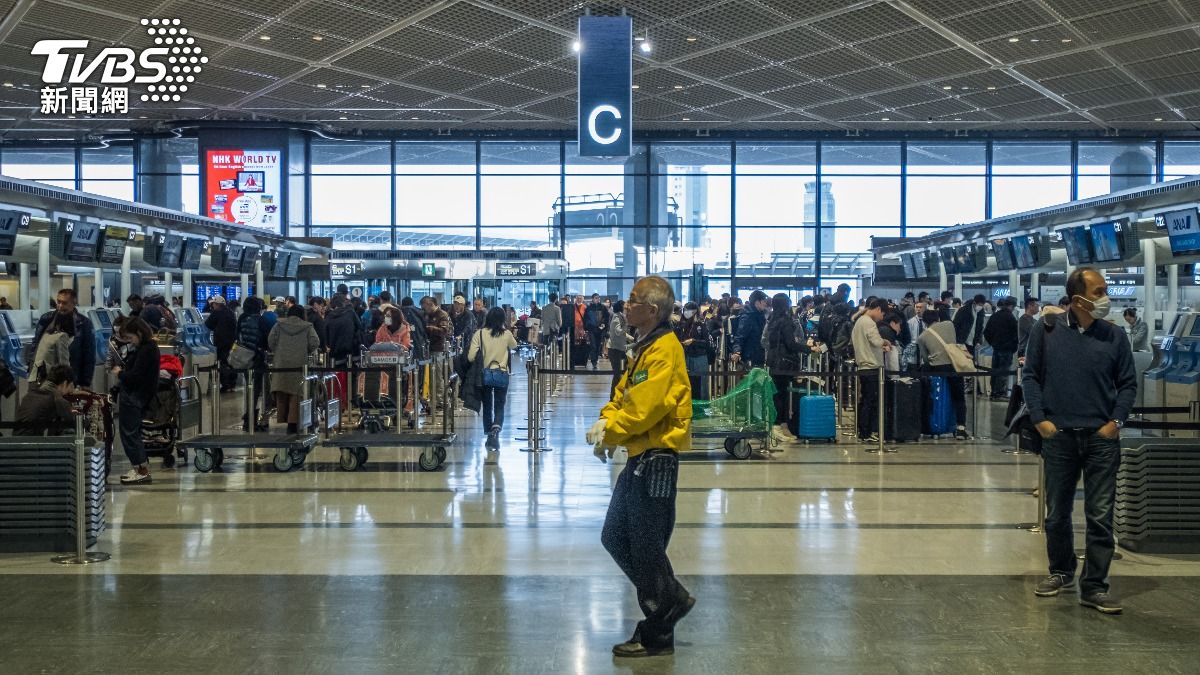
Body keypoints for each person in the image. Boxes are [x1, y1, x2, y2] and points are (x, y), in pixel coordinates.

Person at [586, 275, 694, 658]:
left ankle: (660, 621)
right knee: (615, 536)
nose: (625, 306)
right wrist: (606, 420)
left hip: (656, 460)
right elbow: (625, 394)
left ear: (652, 310)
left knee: (646, 547)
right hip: (638, 456)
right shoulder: (644, 347)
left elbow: (646, 407)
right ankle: (669, 601)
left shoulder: (664, 349)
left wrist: (611, 430)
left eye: (632, 301)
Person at [1023, 267, 1136, 615]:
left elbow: (1128, 384)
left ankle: (1095, 586)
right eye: (1099, 291)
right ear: (1078, 299)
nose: (1106, 297)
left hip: (1101, 438)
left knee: (1100, 515)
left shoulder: (1114, 336)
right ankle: (1061, 571)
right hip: (1059, 437)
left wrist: (1115, 422)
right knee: (1057, 512)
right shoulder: (1047, 330)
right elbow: (1030, 376)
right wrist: (1041, 420)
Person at [112, 316, 159, 484]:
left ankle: (141, 470)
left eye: (131, 337)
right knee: (132, 433)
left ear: (139, 333)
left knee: (130, 434)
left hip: (134, 396)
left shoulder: (146, 349)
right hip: (137, 396)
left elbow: (136, 376)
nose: (130, 341)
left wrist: (120, 373)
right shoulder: (147, 347)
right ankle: (138, 467)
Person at [468, 307, 518, 451]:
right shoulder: (507, 334)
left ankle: (489, 432)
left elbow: (471, 356)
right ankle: (496, 430)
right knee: (500, 404)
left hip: (484, 375)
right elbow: (514, 345)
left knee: (487, 405)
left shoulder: (480, 334)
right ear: (502, 319)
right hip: (502, 374)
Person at [917, 310, 971, 440]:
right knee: (959, 397)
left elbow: (925, 358)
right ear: (937, 318)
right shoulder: (949, 325)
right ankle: (961, 427)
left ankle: (930, 425)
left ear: (924, 322)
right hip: (953, 366)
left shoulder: (922, 337)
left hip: (936, 368)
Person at [764, 294, 810, 443]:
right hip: (784, 363)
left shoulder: (771, 321)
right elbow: (791, 344)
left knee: (779, 395)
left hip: (774, 362)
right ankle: (777, 426)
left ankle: (782, 426)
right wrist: (808, 348)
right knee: (781, 396)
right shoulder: (786, 322)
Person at [268, 306, 320, 434]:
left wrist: (279, 351)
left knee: (283, 392)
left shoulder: (278, 325)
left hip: (281, 365)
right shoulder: (307, 327)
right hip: (299, 364)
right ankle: (293, 424)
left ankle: (285, 419)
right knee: (297, 394)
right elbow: (315, 342)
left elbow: (271, 341)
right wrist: (305, 349)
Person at [31, 289, 95, 391]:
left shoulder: (84, 324)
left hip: (69, 378)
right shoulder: (46, 319)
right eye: (58, 302)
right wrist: (31, 369)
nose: (60, 306)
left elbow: (89, 354)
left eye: (64, 303)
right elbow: (36, 345)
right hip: (45, 376)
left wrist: (85, 382)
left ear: (74, 303)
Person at [851, 299, 892, 443]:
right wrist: (884, 342)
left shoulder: (859, 322)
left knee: (865, 401)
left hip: (863, 365)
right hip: (871, 367)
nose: (882, 318)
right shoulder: (868, 323)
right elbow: (875, 341)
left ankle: (863, 431)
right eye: (883, 314)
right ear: (878, 309)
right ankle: (867, 432)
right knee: (871, 402)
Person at [236, 296, 271, 431]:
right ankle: (252, 420)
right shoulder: (261, 320)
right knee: (259, 389)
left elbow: (237, 336)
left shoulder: (242, 319)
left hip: (244, 358)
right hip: (257, 358)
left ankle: (249, 419)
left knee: (251, 389)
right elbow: (267, 339)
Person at [14, 364, 75, 435]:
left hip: (16, 441)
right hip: (32, 444)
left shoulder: (30, 395)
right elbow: (75, 421)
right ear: (64, 383)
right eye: (70, 385)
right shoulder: (56, 399)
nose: (71, 390)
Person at [983, 297, 1019, 400]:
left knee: (995, 371)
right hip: (1007, 349)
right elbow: (1016, 334)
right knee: (1003, 372)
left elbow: (986, 332)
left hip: (996, 348)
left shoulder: (995, 316)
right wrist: (1013, 346)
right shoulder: (1010, 317)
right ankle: (999, 394)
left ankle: (993, 393)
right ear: (1011, 306)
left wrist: (993, 343)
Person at [676, 301, 712, 402]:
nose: (686, 312)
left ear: (695, 311)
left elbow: (707, 342)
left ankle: (702, 406)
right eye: (685, 310)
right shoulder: (681, 325)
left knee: (701, 385)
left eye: (689, 310)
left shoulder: (700, 324)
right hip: (686, 357)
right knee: (687, 384)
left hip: (700, 358)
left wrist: (693, 341)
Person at [373, 306, 411, 401]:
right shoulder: (382, 328)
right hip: (382, 362)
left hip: (398, 363)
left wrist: (392, 346)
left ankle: (398, 401)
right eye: (385, 315)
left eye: (388, 316)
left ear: (395, 318)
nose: (386, 318)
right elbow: (377, 342)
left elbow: (405, 346)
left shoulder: (405, 329)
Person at [421, 296, 452, 407]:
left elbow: (444, 331)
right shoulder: (426, 315)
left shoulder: (442, 314)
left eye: (425, 306)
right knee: (429, 376)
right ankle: (432, 398)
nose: (424, 309)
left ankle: (440, 400)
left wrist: (431, 328)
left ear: (431, 304)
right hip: (428, 348)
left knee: (438, 376)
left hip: (438, 348)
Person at [204, 295, 238, 393]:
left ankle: (226, 385)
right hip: (232, 342)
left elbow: (207, 325)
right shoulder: (231, 312)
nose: (212, 306)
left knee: (222, 363)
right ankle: (232, 384)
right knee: (231, 362)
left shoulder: (216, 313)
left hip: (221, 342)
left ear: (217, 304)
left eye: (213, 304)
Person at [32, 311, 74, 384]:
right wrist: (70, 384)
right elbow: (64, 364)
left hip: (39, 373)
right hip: (48, 376)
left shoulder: (48, 334)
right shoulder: (62, 336)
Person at [730, 290, 768, 368]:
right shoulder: (747, 316)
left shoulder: (760, 315)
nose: (765, 303)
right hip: (751, 357)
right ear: (757, 302)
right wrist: (737, 352)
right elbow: (740, 335)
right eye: (764, 301)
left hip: (759, 355)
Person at [607, 300, 629, 400]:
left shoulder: (621, 316)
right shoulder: (616, 317)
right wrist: (626, 325)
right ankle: (613, 397)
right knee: (617, 374)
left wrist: (632, 339)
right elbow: (618, 331)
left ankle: (619, 396)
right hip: (615, 349)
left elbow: (623, 333)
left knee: (622, 374)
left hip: (620, 348)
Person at [585, 293, 610, 370]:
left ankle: (595, 359)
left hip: (600, 330)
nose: (597, 299)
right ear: (592, 299)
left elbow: (606, 317)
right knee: (593, 345)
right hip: (592, 330)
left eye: (598, 298)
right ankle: (594, 361)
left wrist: (603, 325)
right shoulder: (588, 308)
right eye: (596, 298)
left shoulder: (603, 307)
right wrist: (587, 327)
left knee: (598, 346)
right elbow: (586, 319)